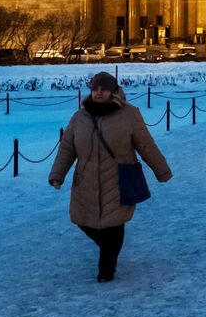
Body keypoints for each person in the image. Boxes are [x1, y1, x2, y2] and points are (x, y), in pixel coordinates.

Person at [49, 71, 172, 282]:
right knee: (83, 220)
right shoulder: (80, 117)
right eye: (95, 88)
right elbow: (68, 147)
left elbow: (146, 144)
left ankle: (106, 270)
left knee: (113, 225)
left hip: (119, 179)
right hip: (85, 180)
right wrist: (57, 174)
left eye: (104, 88)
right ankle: (108, 250)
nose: (98, 92)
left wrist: (161, 170)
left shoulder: (129, 114)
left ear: (113, 91)